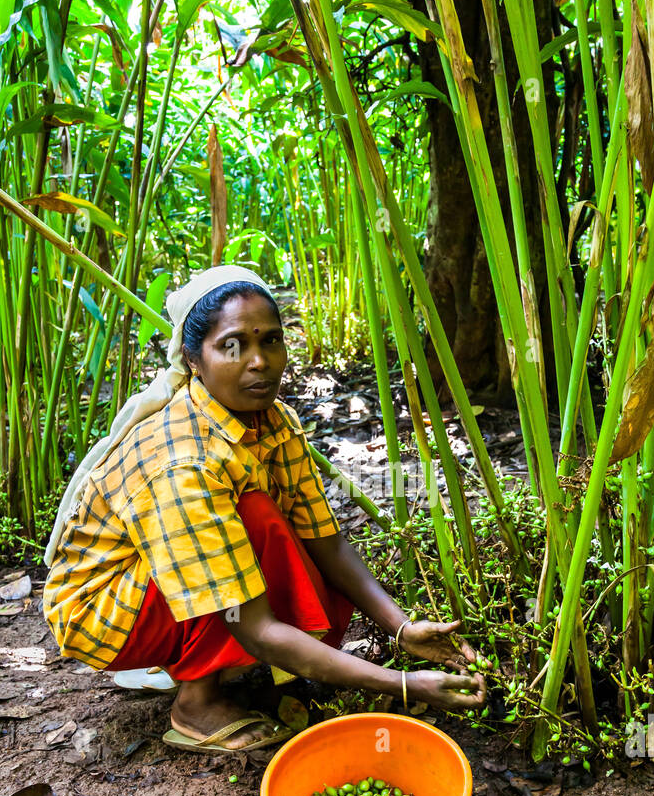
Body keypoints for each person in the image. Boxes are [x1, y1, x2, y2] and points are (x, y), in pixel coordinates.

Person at [42, 266, 486, 753]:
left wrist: (403, 630)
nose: (259, 361)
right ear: (193, 359)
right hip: (107, 612)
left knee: (268, 522)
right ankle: (196, 703)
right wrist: (402, 684)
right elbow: (251, 625)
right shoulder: (182, 463)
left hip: (165, 585)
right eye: (232, 346)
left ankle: (206, 664)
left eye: (271, 340)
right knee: (253, 515)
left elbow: (325, 540)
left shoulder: (273, 419)